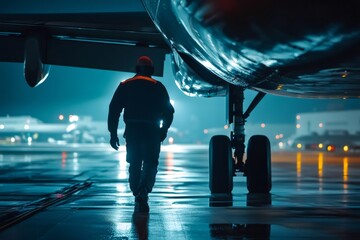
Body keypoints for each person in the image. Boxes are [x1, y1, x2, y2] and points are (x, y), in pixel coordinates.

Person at [108, 56, 174, 213]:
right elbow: (169, 112)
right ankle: (143, 190)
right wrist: (163, 130)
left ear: (136, 69)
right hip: (152, 132)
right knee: (151, 163)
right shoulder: (158, 86)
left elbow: (114, 110)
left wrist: (113, 133)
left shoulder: (125, 85)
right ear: (152, 70)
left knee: (135, 163)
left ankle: (136, 191)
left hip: (132, 131)